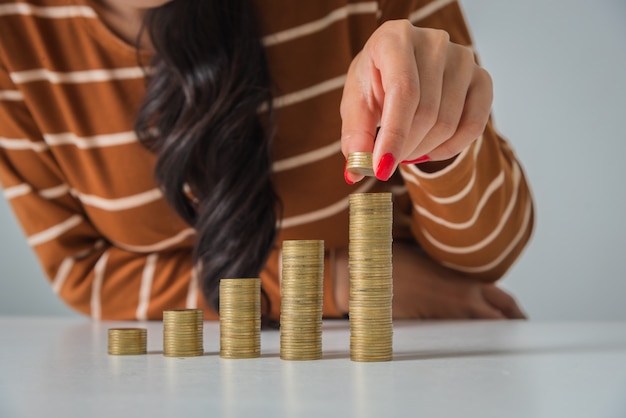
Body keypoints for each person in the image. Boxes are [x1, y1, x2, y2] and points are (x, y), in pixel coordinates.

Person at [0, 0, 534, 321]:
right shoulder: (12, 38)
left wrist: (439, 139)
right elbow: (86, 273)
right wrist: (343, 284)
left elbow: (489, 255)